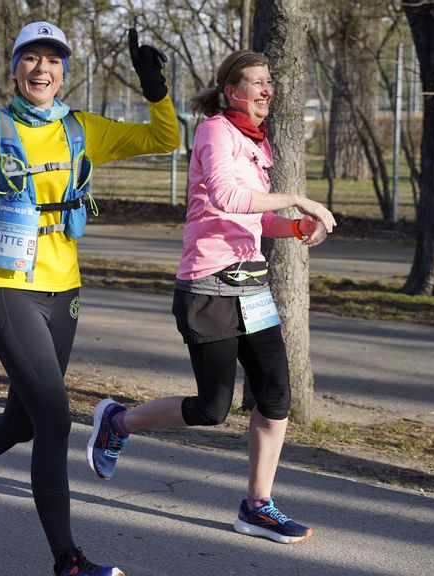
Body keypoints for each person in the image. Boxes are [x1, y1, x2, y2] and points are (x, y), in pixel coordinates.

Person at [0, 17, 179, 576]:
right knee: (55, 420)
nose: (41, 69)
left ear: (64, 71)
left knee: (22, 422)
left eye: (52, 60)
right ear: (16, 67)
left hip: (63, 288)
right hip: (6, 287)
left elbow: (164, 138)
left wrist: (155, 88)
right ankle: (68, 562)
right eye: (31, 58)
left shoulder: (82, 128)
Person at [85, 50, 336, 545]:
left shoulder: (256, 143)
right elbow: (225, 197)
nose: (267, 91)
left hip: (253, 286)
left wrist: (294, 226)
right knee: (212, 408)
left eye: (269, 82)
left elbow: (254, 216)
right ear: (231, 91)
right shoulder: (216, 131)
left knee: (276, 396)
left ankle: (257, 506)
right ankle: (118, 422)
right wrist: (299, 198)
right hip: (208, 285)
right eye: (256, 83)